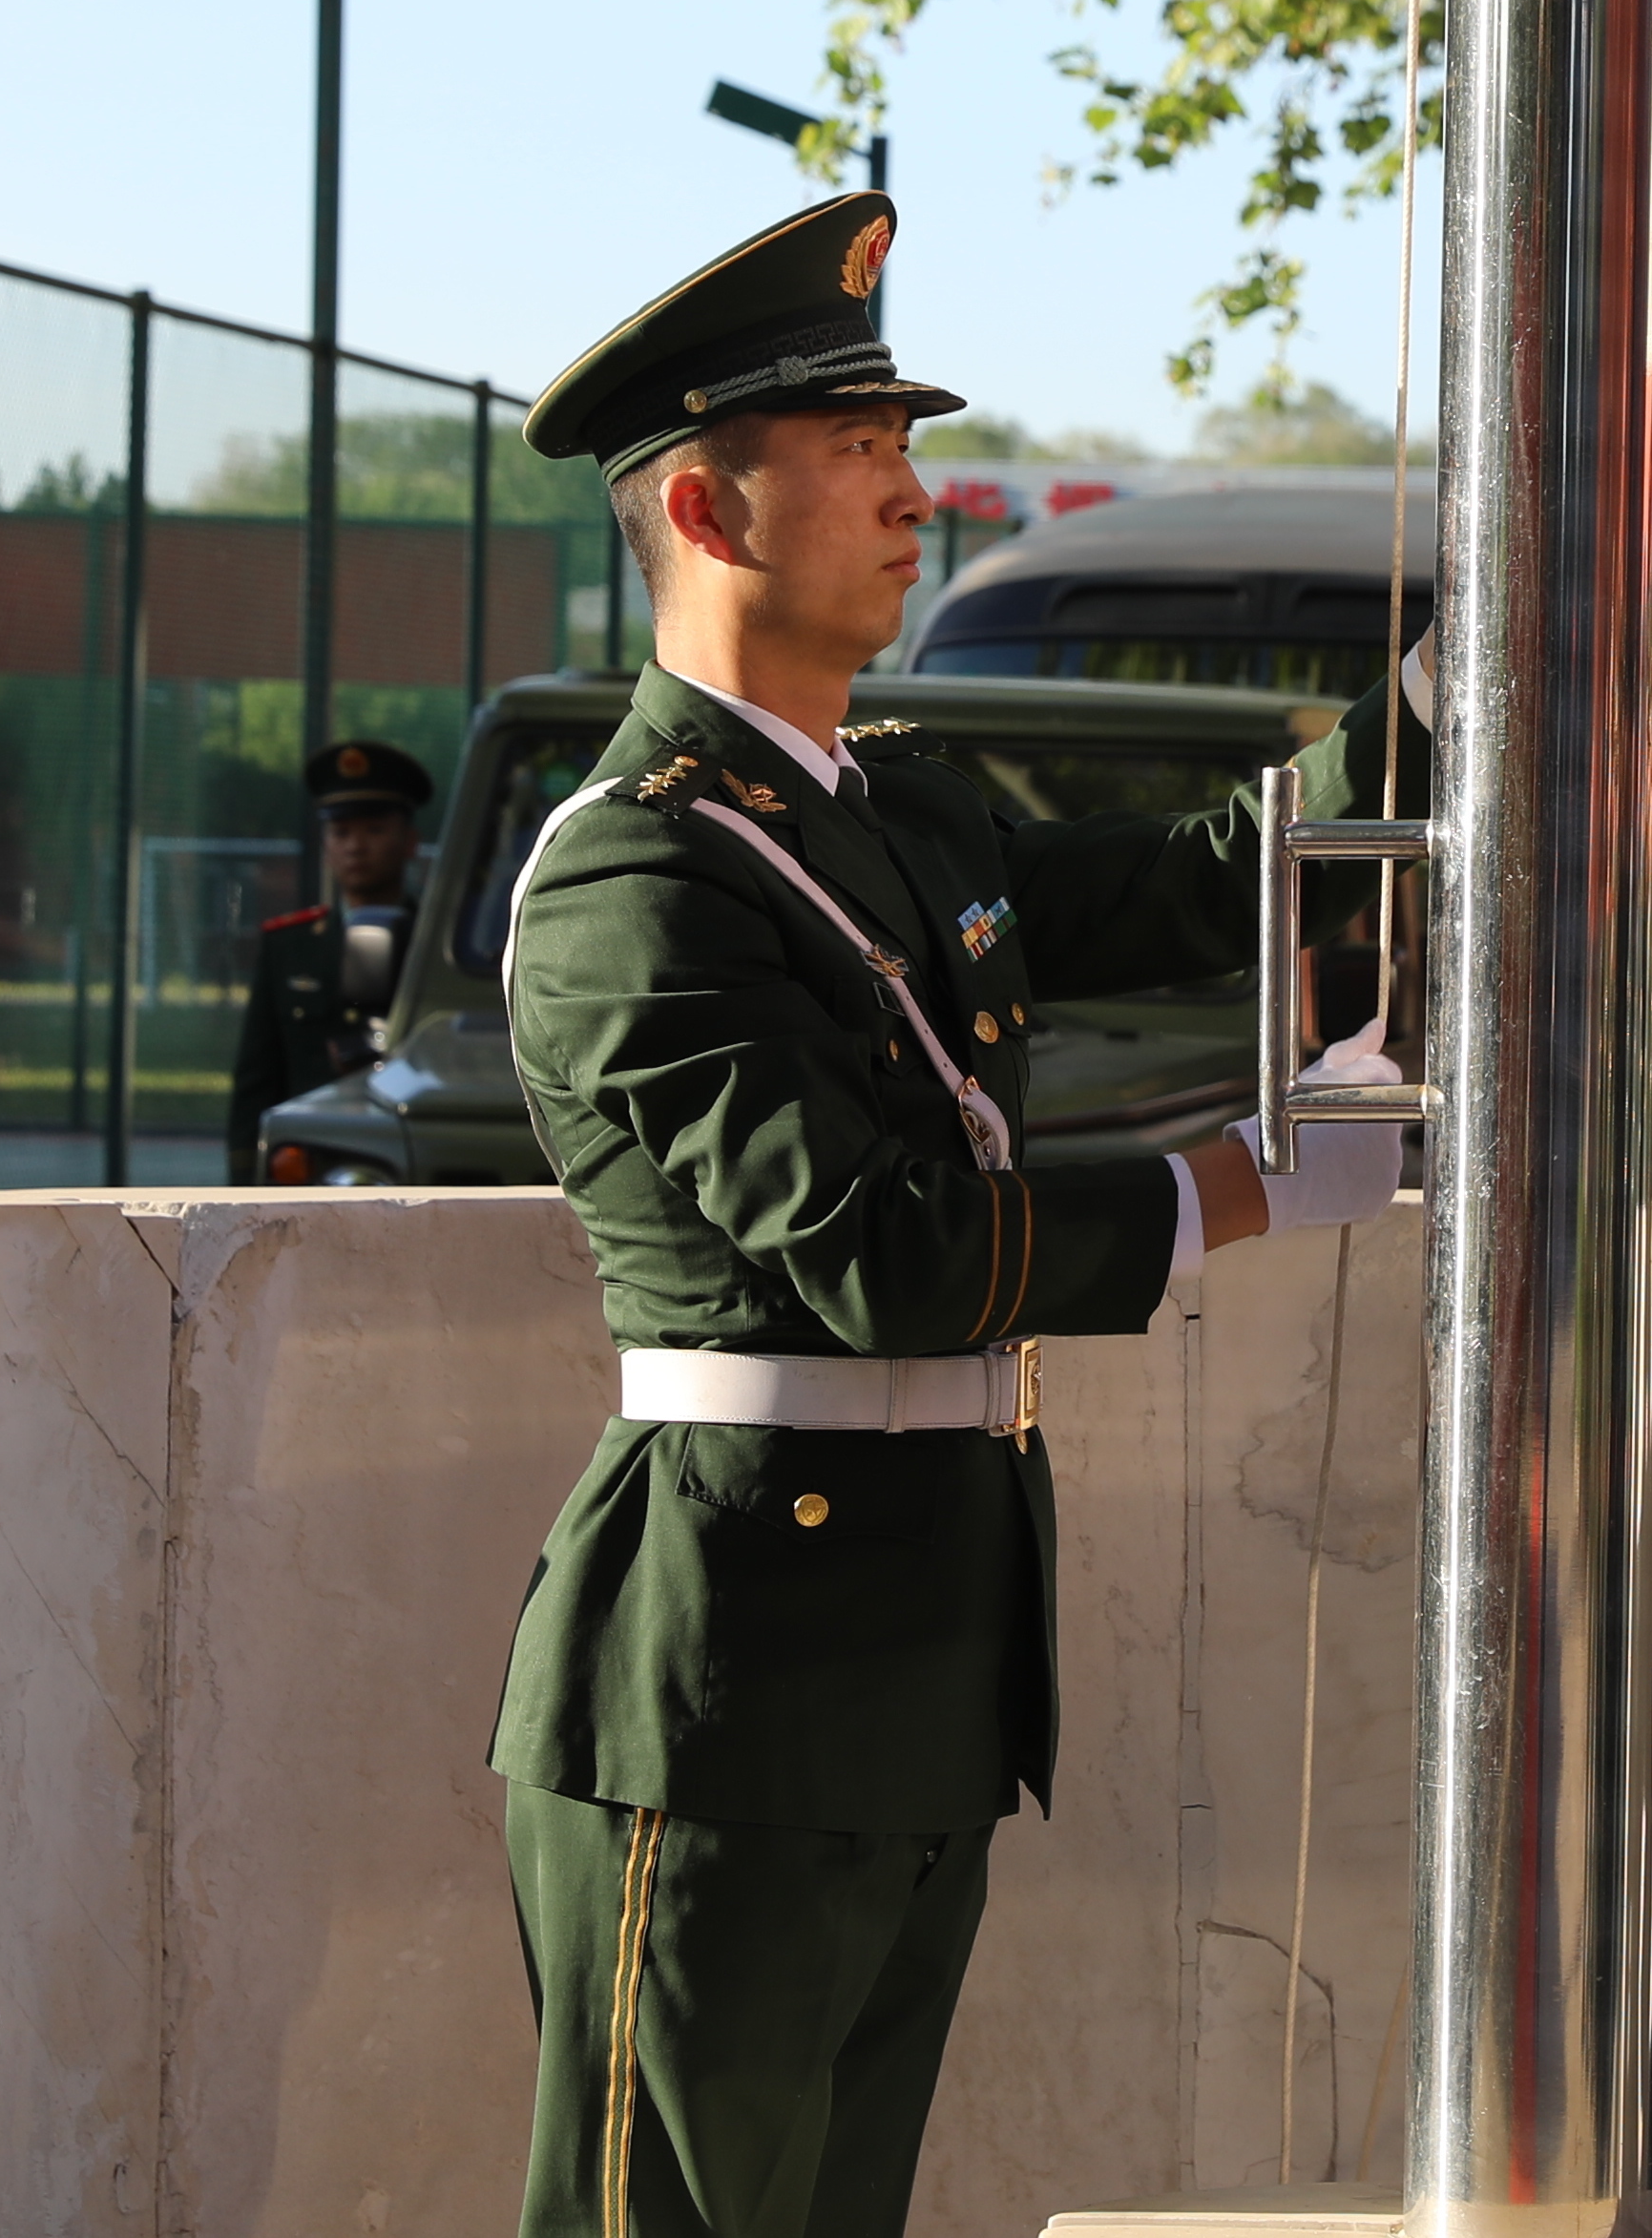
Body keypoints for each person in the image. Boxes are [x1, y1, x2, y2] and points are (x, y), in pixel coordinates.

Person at [489, 190, 1420, 2238]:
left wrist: (1459, 698)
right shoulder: (629, 884)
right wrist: (1235, 1193)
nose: (920, 495)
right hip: (727, 1667)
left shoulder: (898, 806)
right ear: (715, 518)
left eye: (905, 449)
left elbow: (1195, 883)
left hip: (917, 1656)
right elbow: (877, 1245)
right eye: (861, 457)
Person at [222, 735, 435, 1182]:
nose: (356, 847)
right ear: (325, 845)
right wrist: (245, 1181)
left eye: (374, 830)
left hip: (416, 1155)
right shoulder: (290, 946)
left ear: (410, 841)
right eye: (341, 833)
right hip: (313, 1161)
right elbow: (257, 1078)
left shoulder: (439, 946)